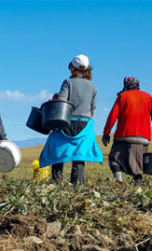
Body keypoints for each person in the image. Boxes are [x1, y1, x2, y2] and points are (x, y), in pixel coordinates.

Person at [38, 54, 103, 184]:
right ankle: (77, 184)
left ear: (73, 68)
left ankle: (57, 182)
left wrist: (55, 98)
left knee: (57, 149)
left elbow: (62, 100)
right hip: (84, 125)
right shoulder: (93, 87)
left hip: (67, 122)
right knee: (79, 155)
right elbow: (92, 110)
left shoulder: (68, 82)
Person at [102, 77, 152, 185]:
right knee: (137, 165)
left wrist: (106, 132)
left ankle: (118, 182)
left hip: (123, 136)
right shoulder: (148, 97)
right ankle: (138, 186)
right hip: (143, 138)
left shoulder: (122, 96)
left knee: (113, 159)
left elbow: (112, 116)